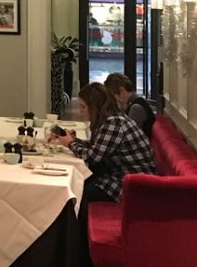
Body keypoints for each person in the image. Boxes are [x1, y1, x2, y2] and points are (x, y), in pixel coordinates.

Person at [50, 82, 155, 264]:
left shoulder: (113, 124)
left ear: (94, 106)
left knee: (74, 195)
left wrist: (70, 143)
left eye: (83, 107)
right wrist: (74, 140)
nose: (82, 112)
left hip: (129, 186)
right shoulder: (114, 120)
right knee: (76, 187)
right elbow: (97, 149)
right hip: (123, 178)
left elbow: (92, 157)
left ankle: (76, 254)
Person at [103, 73, 155, 138]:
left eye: (113, 94)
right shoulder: (134, 102)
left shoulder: (136, 108)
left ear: (122, 90)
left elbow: (129, 136)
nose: (114, 98)